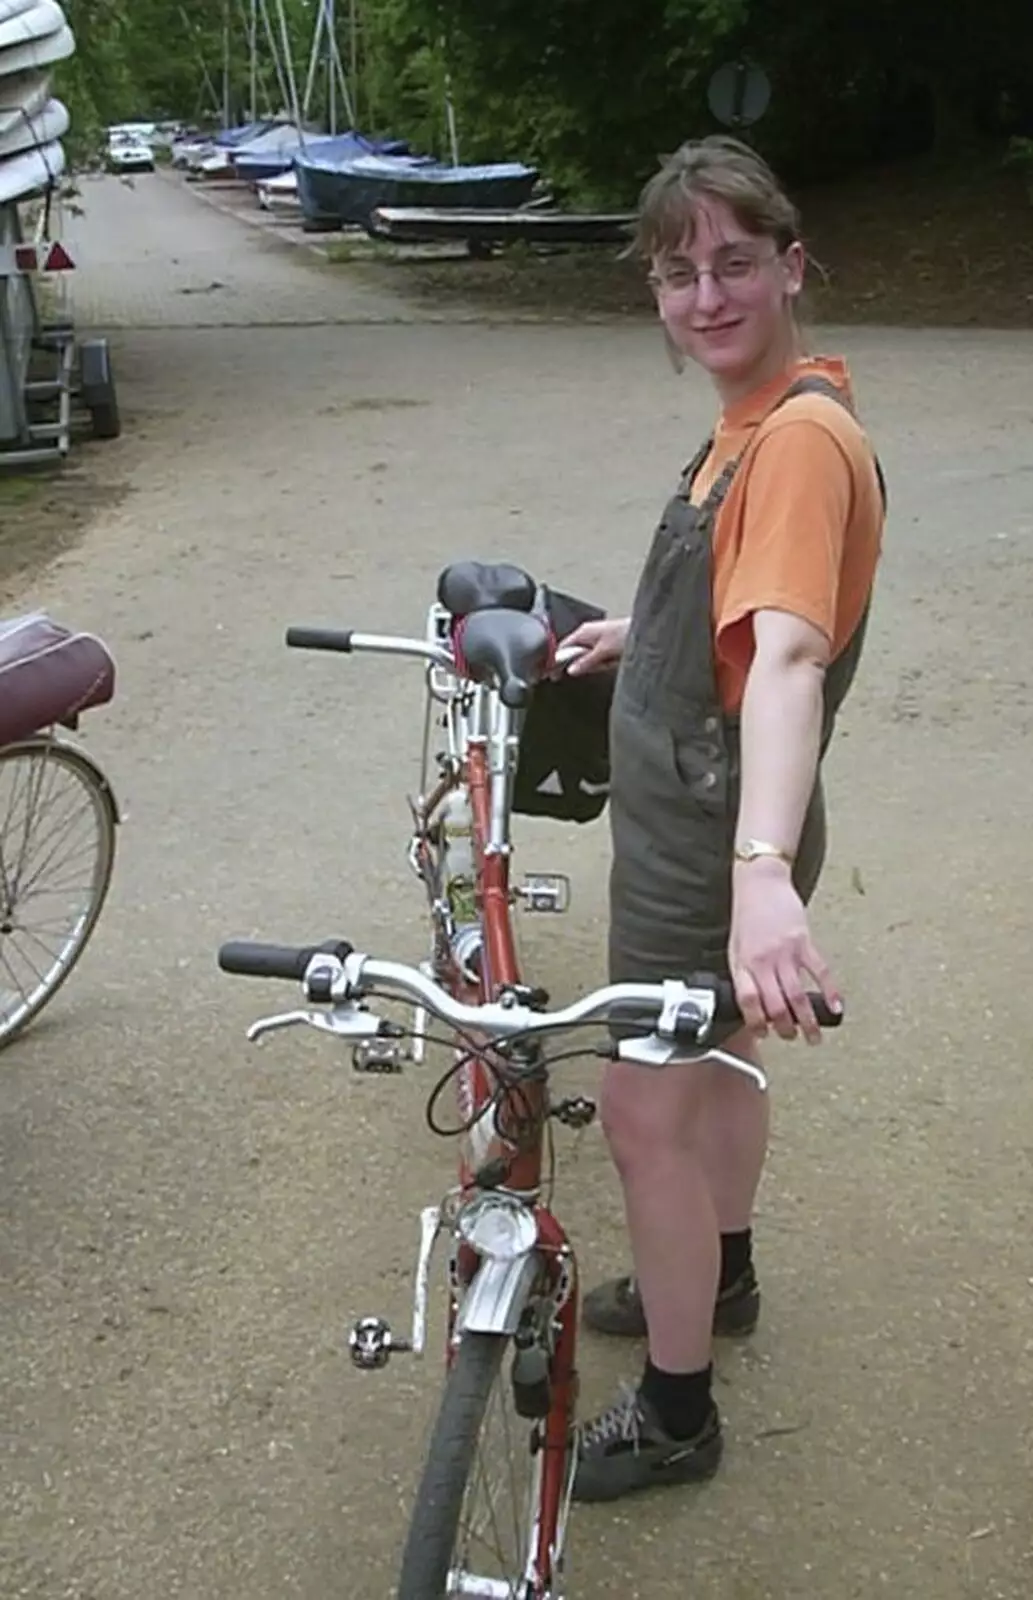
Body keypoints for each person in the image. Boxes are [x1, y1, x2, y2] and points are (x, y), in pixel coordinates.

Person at [561, 135, 885, 1504]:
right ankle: (727, 1272)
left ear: (792, 264)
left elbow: (795, 657)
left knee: (644, 1114)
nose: (706, 295)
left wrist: (760, 877)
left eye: (735, 262)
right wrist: (648, 634)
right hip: (718, 820)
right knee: (723, 1068)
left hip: (715, 840)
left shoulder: (799, 440)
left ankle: (680, 1411)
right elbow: (752, 606)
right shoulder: (757, 414)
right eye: (677, 270)